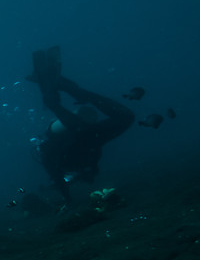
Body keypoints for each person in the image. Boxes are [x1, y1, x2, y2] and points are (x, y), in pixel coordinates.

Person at [28, 46, 135, 202]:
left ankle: (63, 94)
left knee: (124, 117)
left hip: (82, 135)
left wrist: (68, 200)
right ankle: (70, 91)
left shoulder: (51, 158)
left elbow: (59, 180)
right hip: (89, 136)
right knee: (126, 116)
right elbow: (64, 178)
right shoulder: (65, 162)